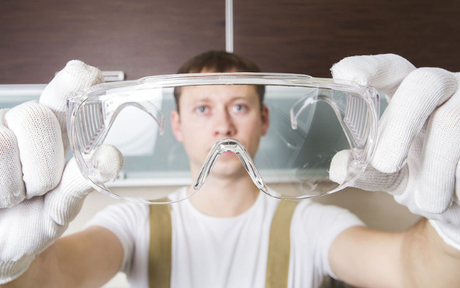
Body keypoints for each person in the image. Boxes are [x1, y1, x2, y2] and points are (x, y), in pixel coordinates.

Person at [0, 50, 459, 288]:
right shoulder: (133, 221)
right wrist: (10, 267)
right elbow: (60, 278)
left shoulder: (311, 222)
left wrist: (453, 231)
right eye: (202, 109)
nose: (222, 124)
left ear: (263, 120)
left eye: (239, 105)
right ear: (176, 125)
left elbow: (410, 273)